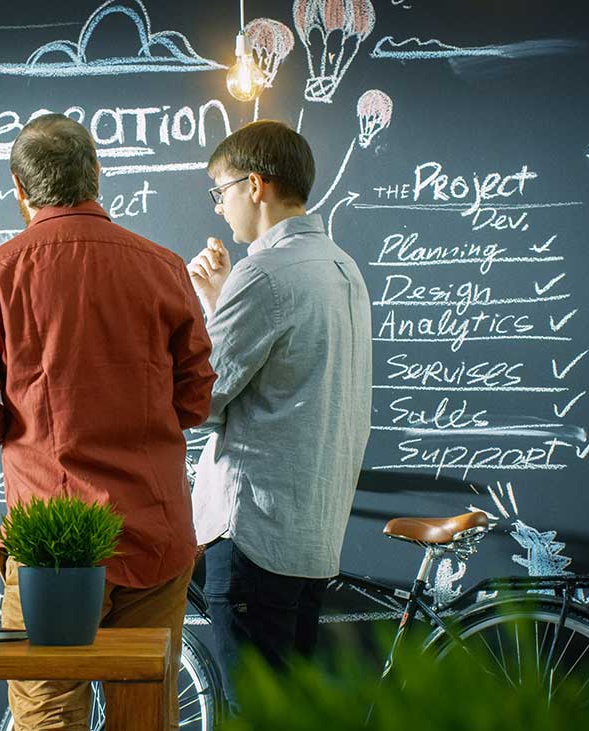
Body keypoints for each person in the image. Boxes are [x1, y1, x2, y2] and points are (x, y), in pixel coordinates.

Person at [0, 114, 216, 731]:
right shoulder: (164, 267)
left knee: (47, 717)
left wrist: (15, 423)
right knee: (144, 716)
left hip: (50, 540)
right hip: (155, 528)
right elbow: (196, 399)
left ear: (20, 187)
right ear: (97, 174)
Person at [186, 120, 373, 701]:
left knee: (252, 712)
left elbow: (202, 398)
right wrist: (222, 301)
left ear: (256, 185)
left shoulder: (263, 274)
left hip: (253, 532)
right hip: (309, 535)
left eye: (221, 192)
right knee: (287, 711)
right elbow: (286, 380)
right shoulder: (342, 268)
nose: (220, 209)